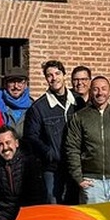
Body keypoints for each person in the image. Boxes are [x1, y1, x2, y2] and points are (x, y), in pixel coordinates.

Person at [64, 76, 110, 213]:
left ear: (109, 91)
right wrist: (79, 178)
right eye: (96, 89)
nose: (100, 93)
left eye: (104, 89)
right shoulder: (80, 117)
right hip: (92, 182)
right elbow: (72, 148)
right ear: (91, 91)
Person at [23, 60, 77, 205]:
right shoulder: (38, 108)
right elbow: (31, 137)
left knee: (76, 206)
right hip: (52, 168)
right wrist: (49, 153)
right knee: (53, 205)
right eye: (49, 75)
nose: (54, 78)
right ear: (46, 79)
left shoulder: (78, 102)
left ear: (64, 75)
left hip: (76, 166)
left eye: (57, 73)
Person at [0, 67, 32, 136]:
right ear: (5, 84)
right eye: (12, 82)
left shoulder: (33, 106)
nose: (16, 86)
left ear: (26, 85)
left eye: (20, 82)